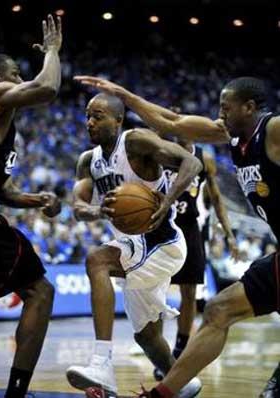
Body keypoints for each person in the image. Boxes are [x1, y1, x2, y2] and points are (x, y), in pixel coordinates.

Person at [74, 76, 280, 398]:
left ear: (250, 107)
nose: (220, 115)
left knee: (192, 296)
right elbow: (171, 121)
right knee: (216, 310)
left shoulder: (273, 129)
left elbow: (191, 160)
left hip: (171, 237)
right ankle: (169, 391)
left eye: (226, 108)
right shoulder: (227, 134)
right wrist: (123, 93)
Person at [66, 92, 203, 398]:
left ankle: (101, 363)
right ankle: (182, 383)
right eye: (87, 115)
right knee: (147, 337)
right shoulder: (88, 161)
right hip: (134, 248)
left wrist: (167, 202)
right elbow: (77, 206)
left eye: (98, 115)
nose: (90, 121)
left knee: (96, 260)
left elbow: (191, 162)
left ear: (118, 120)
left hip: (162, 242)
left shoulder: (136, 142)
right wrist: (98, 210)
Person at [0, 14, 62, 398]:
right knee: (40, 291)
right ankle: (16, 392)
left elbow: (3, 191)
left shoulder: (4, 125)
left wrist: (37, 199)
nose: (20, 78)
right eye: (15, 73)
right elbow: (47, 87)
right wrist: (52, 52)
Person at [153, 137, 238, 381]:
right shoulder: (159, 151)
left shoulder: (204, 157)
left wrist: (229, 234)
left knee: (189, 292)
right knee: (155, 292)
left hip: (190, 227)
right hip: (161, 224)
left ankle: (179, 351)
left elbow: (217, 199)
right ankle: (158, 352)